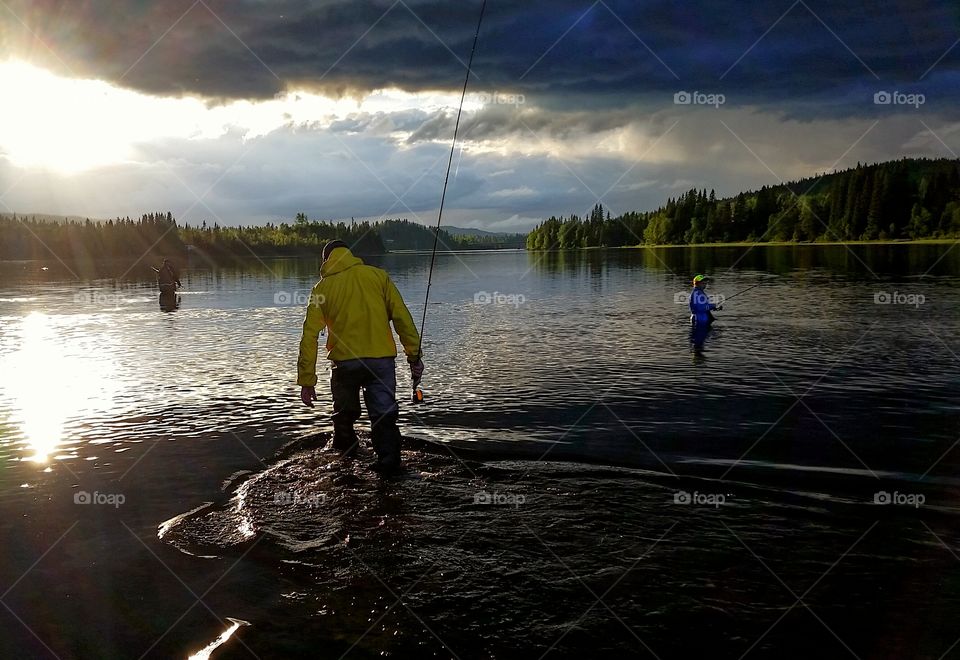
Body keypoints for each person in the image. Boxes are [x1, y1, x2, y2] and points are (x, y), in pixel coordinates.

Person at [297, 240, 424, 474]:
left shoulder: (321, 289)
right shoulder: (378, 277)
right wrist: (414, 356)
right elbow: (402, 318)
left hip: (345, 364)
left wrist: (307, 380)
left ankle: (345, 467)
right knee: (383, 416)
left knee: (343, 416)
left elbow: (309, 336)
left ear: (326, 260)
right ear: (349, 254)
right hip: (381, 362)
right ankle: (389, 466)